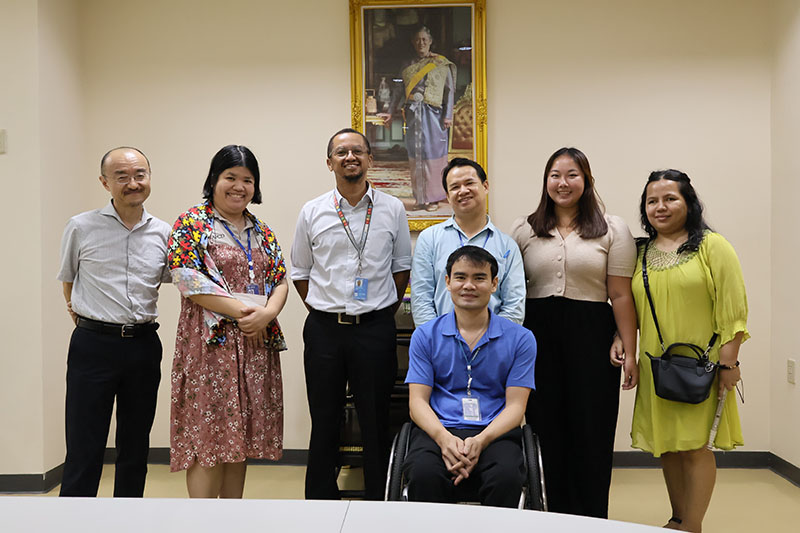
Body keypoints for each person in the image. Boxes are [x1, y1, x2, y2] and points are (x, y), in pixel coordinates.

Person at [610, 170, 747, 532]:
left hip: (701, 366)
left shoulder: (711, 246)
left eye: (670, 198)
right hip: (657, 365)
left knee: (695, 447)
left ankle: (693, 525)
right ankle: (678, 516)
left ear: (689, 202)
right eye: (652, 201)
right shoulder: (639, 251)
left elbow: (733, 309)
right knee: (668, 446)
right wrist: (621, 339)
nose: (660, 207)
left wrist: (729, 363)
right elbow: (627, 304)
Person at [510, 147, 638, 518]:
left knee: (591, 429)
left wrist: (628, 349)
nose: (563, 183)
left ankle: (591, 516)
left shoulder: (613, 228)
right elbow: (511, 293)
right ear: (545, 181)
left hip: (592, 337)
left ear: (586, 180)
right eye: (555, 175)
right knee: (544, 426)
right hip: (537, 336)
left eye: (572, 175)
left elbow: (620, 294)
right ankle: (548, 513)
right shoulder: (524, 228)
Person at [291, 128, 412, 500]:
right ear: (330, 163)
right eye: (341, 152)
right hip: (325, 330)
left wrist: (376, 311)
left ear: (370, 159)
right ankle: (320, 502)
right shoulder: (312, 211)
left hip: (374, 328)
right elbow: (300, 272)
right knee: (324, 419)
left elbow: (401, 269)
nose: (350, 157)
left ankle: (379, 500)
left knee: (375, 420)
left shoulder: (392, 209)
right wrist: (327, 309)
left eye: (357, 151)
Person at [168, 145, 289, 498]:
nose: (239, 186)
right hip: (209, 347)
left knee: (241, 436)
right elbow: (186, 278)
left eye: (247, 180)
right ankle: (203, 523)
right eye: (230, 178)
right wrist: (246, 313)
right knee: (209, 436)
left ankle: (233, 518)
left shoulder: (261, 229)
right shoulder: (193, 222)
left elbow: (280, 279)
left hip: (254, 345)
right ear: (214, 180)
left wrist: (268, 314)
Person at [57, 147, 171, 497]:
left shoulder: (164, 232)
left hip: (143, 345)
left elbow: (179, 280)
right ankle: (73, 521)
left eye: (140, 174)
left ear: (149, 177)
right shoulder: (81, 226)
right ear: (105, 182)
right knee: (84, 443)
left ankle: (128, 517)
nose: (133, 183)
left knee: (135, 445)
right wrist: (81, 313)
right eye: (122, 176)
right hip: (93, 344)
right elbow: (68, 280)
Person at [404, 246, 536, 507]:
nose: (469, 285)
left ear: (494, 283)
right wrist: (444, 439)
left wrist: (481, 440)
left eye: (479, 278)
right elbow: (417, 402)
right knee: (423, 474)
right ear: (447, 282)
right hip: (438, 429)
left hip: (495, 432)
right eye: (461, 277)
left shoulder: (521, 339)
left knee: (507, 477)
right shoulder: (425, 336)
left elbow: (516, 406)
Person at [411, 157, 525, 326]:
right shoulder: (429, 239)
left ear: (485, 187)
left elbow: (514, 305)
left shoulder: (507, 245)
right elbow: (421, 299)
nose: (463, 191)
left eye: (469, 183)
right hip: (441, 345)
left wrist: (495, 342)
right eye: (455, 187)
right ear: (448, 197)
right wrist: (437, 340)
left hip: (494, 346)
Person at [378, 26, 456, 211]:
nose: (421, 43)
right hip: (413, 114)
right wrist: (390, 110)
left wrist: (448, 116)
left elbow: (449, 90)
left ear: (430, 41)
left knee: (433, 156)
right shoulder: (407, 64)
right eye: (418, 40)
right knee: (416, 156)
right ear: (413, 43)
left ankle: (434, 198)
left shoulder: (440, 63)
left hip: (434, 116)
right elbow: (398, 90)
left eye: (424, 39)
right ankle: (420, 198)